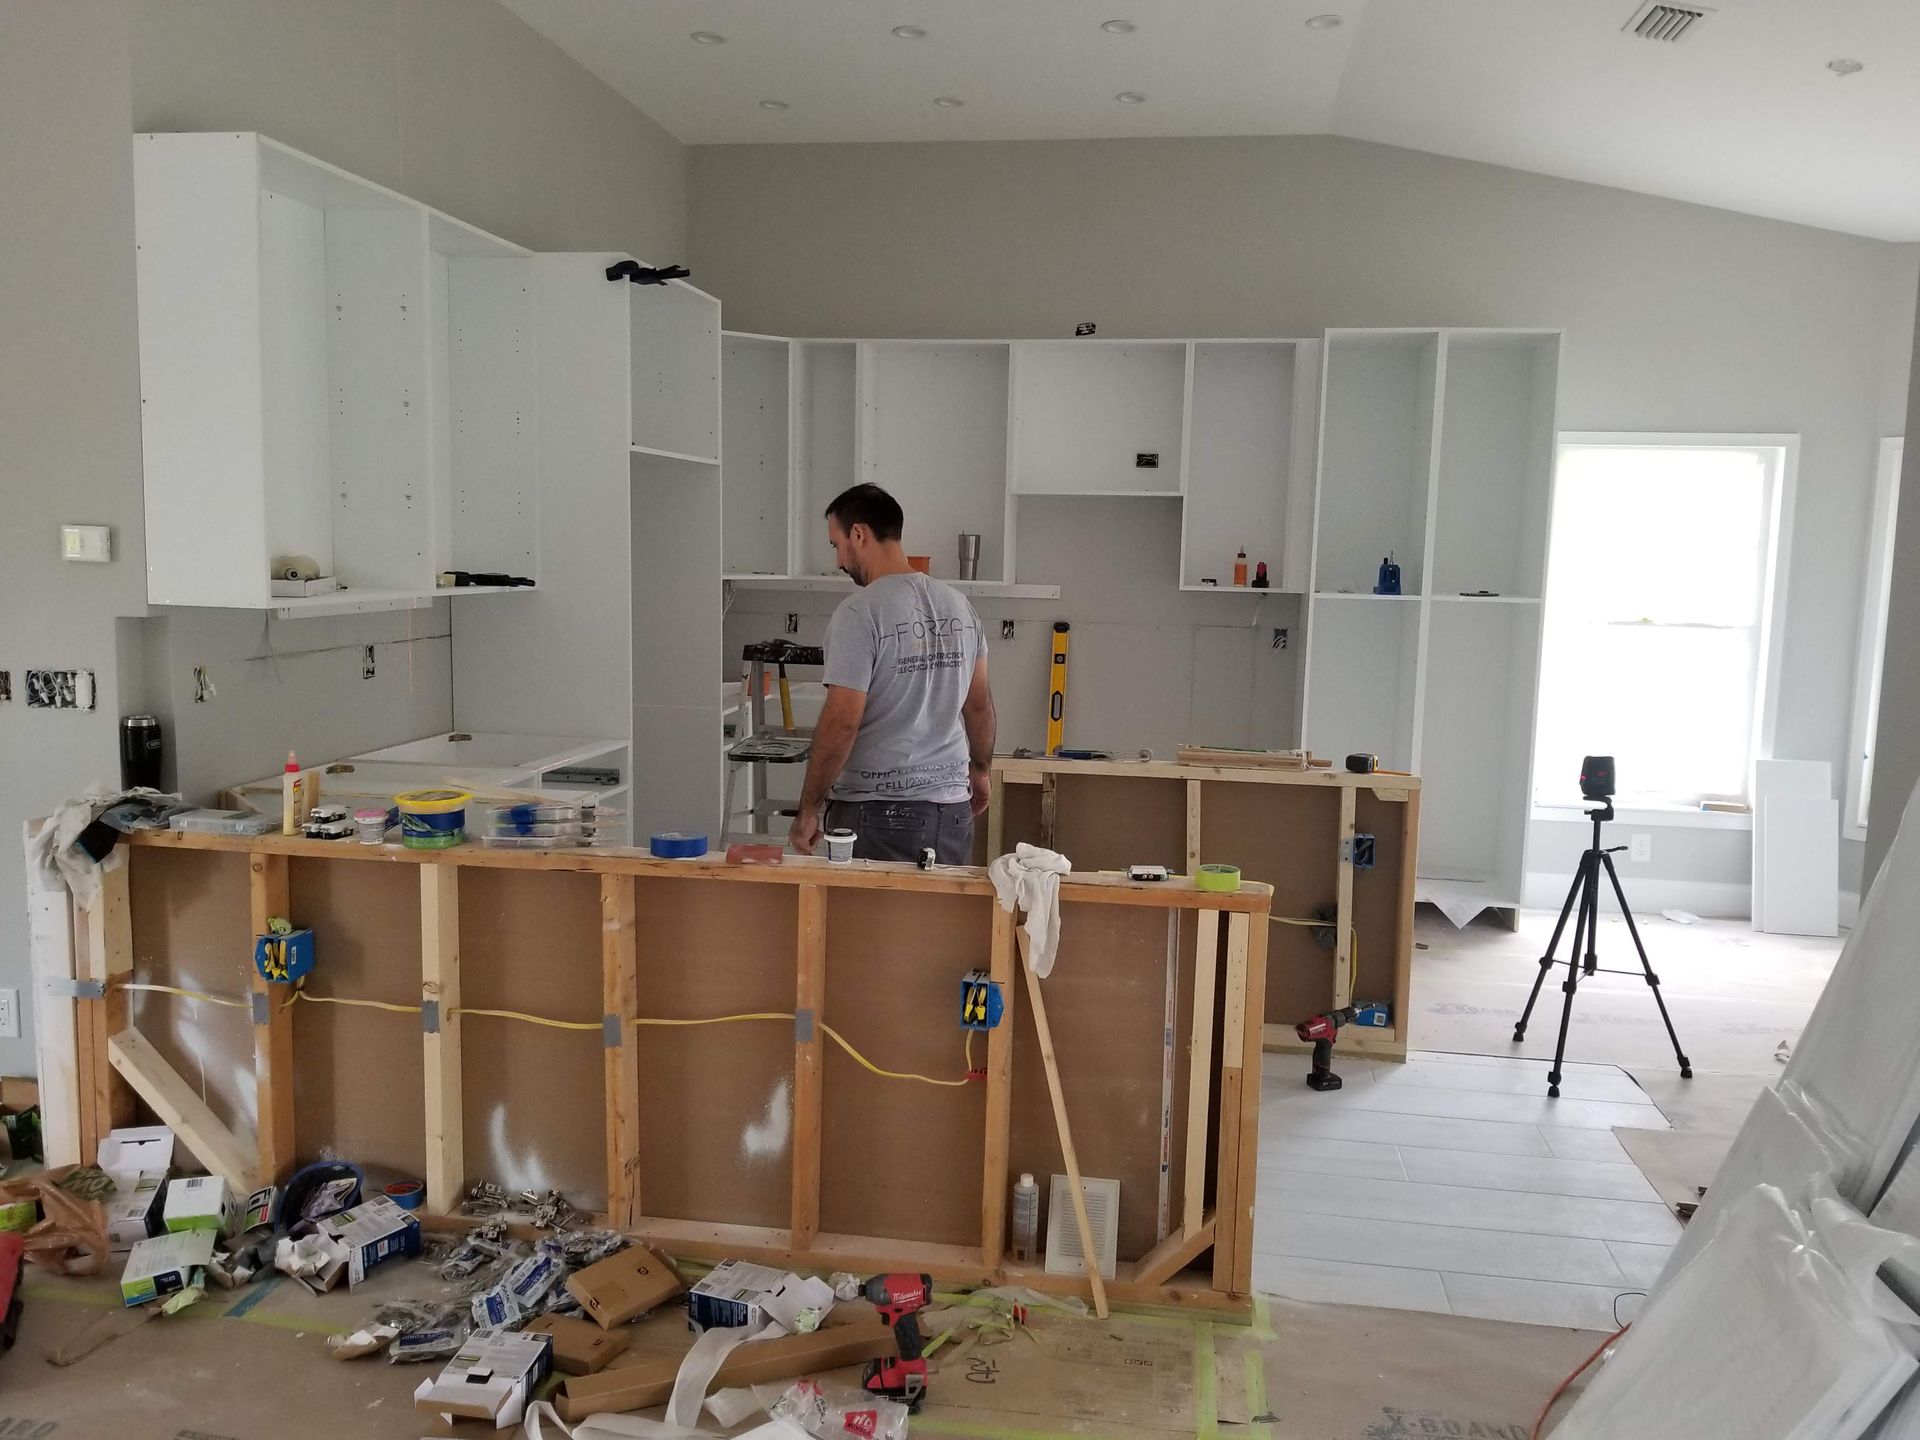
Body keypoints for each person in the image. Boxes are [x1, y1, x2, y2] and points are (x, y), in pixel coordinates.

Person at [788, 483, 995, 863]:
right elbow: (979, 707)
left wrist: (808, 809)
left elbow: (841, 723)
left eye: (836, 545)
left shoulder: (859, 613)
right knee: (941, 923)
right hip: (952, 810)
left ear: (858, 534)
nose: (838, 561)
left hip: (876, 813)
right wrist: (981, 771)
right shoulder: (959, 606)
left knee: (866, 923)